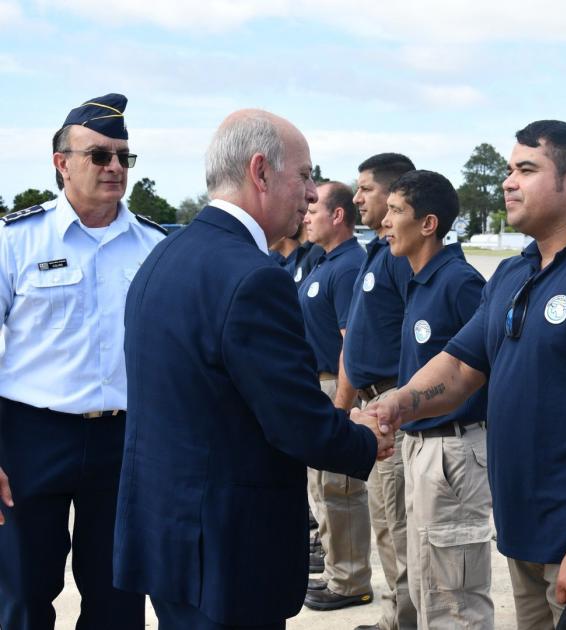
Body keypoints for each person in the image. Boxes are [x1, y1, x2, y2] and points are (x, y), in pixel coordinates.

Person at [367, 121, 566, 629]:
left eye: (526, 170)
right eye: (510, 170)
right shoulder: (516, 274)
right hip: (526, 539)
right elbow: (463, 365)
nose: (508, 181)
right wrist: (399, 403)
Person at [112, 109, 393, 630]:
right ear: (261, 172)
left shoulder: (165, 255)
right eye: (305, 175)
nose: (313, 194)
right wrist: (362, 437)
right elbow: (296, 424)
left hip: (170, 538)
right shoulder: (253, 278)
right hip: (226, 550)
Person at [0, 93, 163, 630]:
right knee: (20, 595)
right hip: (30, 438)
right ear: (61, 163)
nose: (115, 167)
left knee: (119, 597)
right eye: (99, 155)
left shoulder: (153, 247)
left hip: (124, 442)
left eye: (124, 157)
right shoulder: (16, 242)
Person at [382, 169, 491, 628]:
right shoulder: (420, 279)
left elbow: (484, 365)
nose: (384, 221)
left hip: (452, 450)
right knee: (429, 579)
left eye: (395, 211)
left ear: (428, 224)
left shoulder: (459, 282)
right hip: (421, 445)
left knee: (454, 594)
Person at [343, 152, 418, 630]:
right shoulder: (376, 252)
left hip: (393, 400)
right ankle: (396, 616)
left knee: (399, 525)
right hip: (371, 400)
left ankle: (404, 621)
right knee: (386, 524)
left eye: (366, 188)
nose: (357, 198)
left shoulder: (398, 259)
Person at [297, 181, 374, 611]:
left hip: (334, 385)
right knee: (322, 488)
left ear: (338, 216)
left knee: (340, 490)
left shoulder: (347, 267)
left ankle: (350, 580)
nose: (306, 215)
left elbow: (351, 342)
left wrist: (342, 406)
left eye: (314, 209)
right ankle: (335, 568)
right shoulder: (326, 262)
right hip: (317, 385)